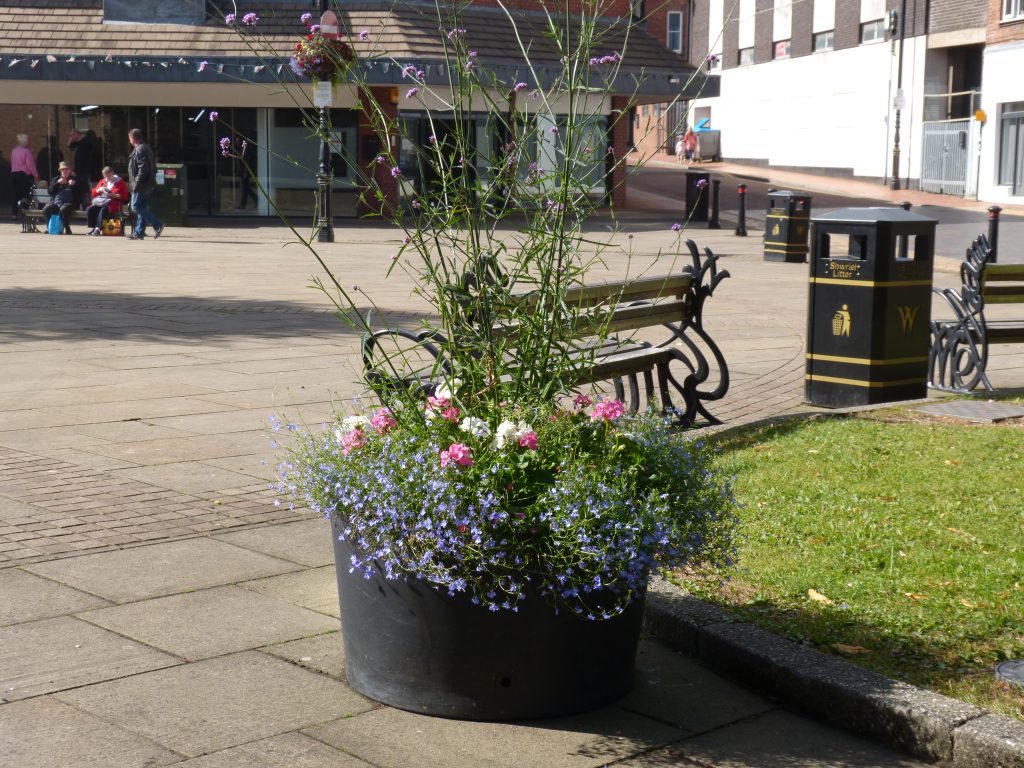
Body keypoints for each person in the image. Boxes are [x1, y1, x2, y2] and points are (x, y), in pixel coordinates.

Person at [127, 127, 164, 240]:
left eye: (129, 138)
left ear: (133, 138)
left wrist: (136, 184)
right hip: (148, 184)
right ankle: (139, 233)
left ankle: (157, 224)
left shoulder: (140, 150)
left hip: (142, 185)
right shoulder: (146, 148)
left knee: (135, 206)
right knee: (142, 207)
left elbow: (143, 169)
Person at [41, 161, 84, 234]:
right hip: (55, 203)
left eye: (67, 169)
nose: (65, 171)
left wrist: (75, 185)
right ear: (60, 171)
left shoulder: (75, 179)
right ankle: (50, 228)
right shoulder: (56, 179)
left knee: (63, 209)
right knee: (46, 209)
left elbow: (83, 190)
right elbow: (49, 191)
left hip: (70, 204)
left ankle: (67, 229)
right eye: (63, 170)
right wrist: (57, 183)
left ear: (70, 170)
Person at [85, 165, 129, 235]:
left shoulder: (120, 182)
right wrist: (98, 190)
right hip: (101, 202)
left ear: (112, 173)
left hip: (113, 203)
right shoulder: (103, 181)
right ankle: (94, 228)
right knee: (91, 209)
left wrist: (112, 195)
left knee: (103, 210)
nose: (107, 178)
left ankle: (98, 228)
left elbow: (124, 196)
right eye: (105, 176)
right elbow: (93, 193)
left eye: (108, 176)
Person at [10, 134, 39, 218]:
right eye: (28, 140)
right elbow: (30, 165)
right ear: (25, 142)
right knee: (25, 194)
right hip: (24, 174)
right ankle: (25, 212)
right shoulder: (27, 151)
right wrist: (36, 175)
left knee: (15, 194)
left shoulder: (14, 151)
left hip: (14, 174)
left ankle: (14, 214)